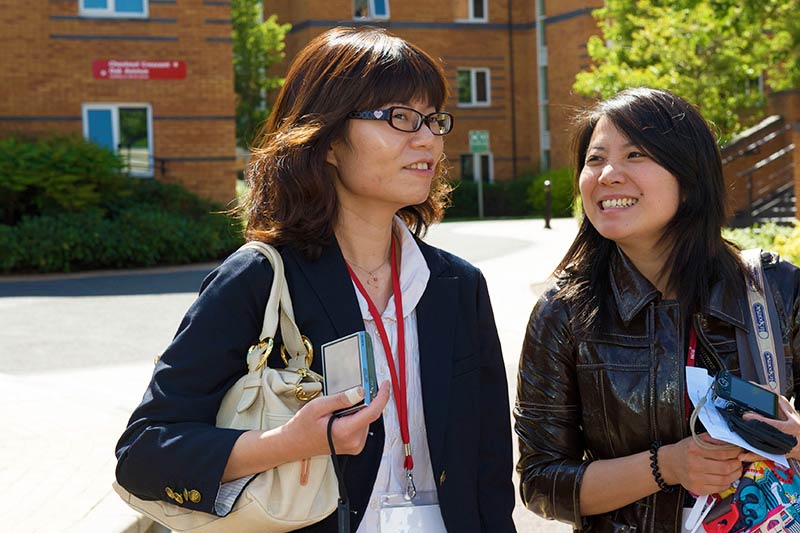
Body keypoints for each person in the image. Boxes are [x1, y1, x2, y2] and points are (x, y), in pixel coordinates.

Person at [115, 26, 516, 533]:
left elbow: (489, 470)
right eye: (399, 117)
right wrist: (290, 442)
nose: (428, 139)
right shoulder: (258, 278)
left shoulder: (457, 285)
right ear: (325, 140)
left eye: (433, 120)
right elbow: (143, 452)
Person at [514, 87, 800, 532]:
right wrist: (667, 466)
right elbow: (540, 482)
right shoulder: (564, 313)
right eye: (595, 159)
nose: (608, 174)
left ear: (689, 180)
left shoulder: (775, 289)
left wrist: (795, 440)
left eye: (635, 155)